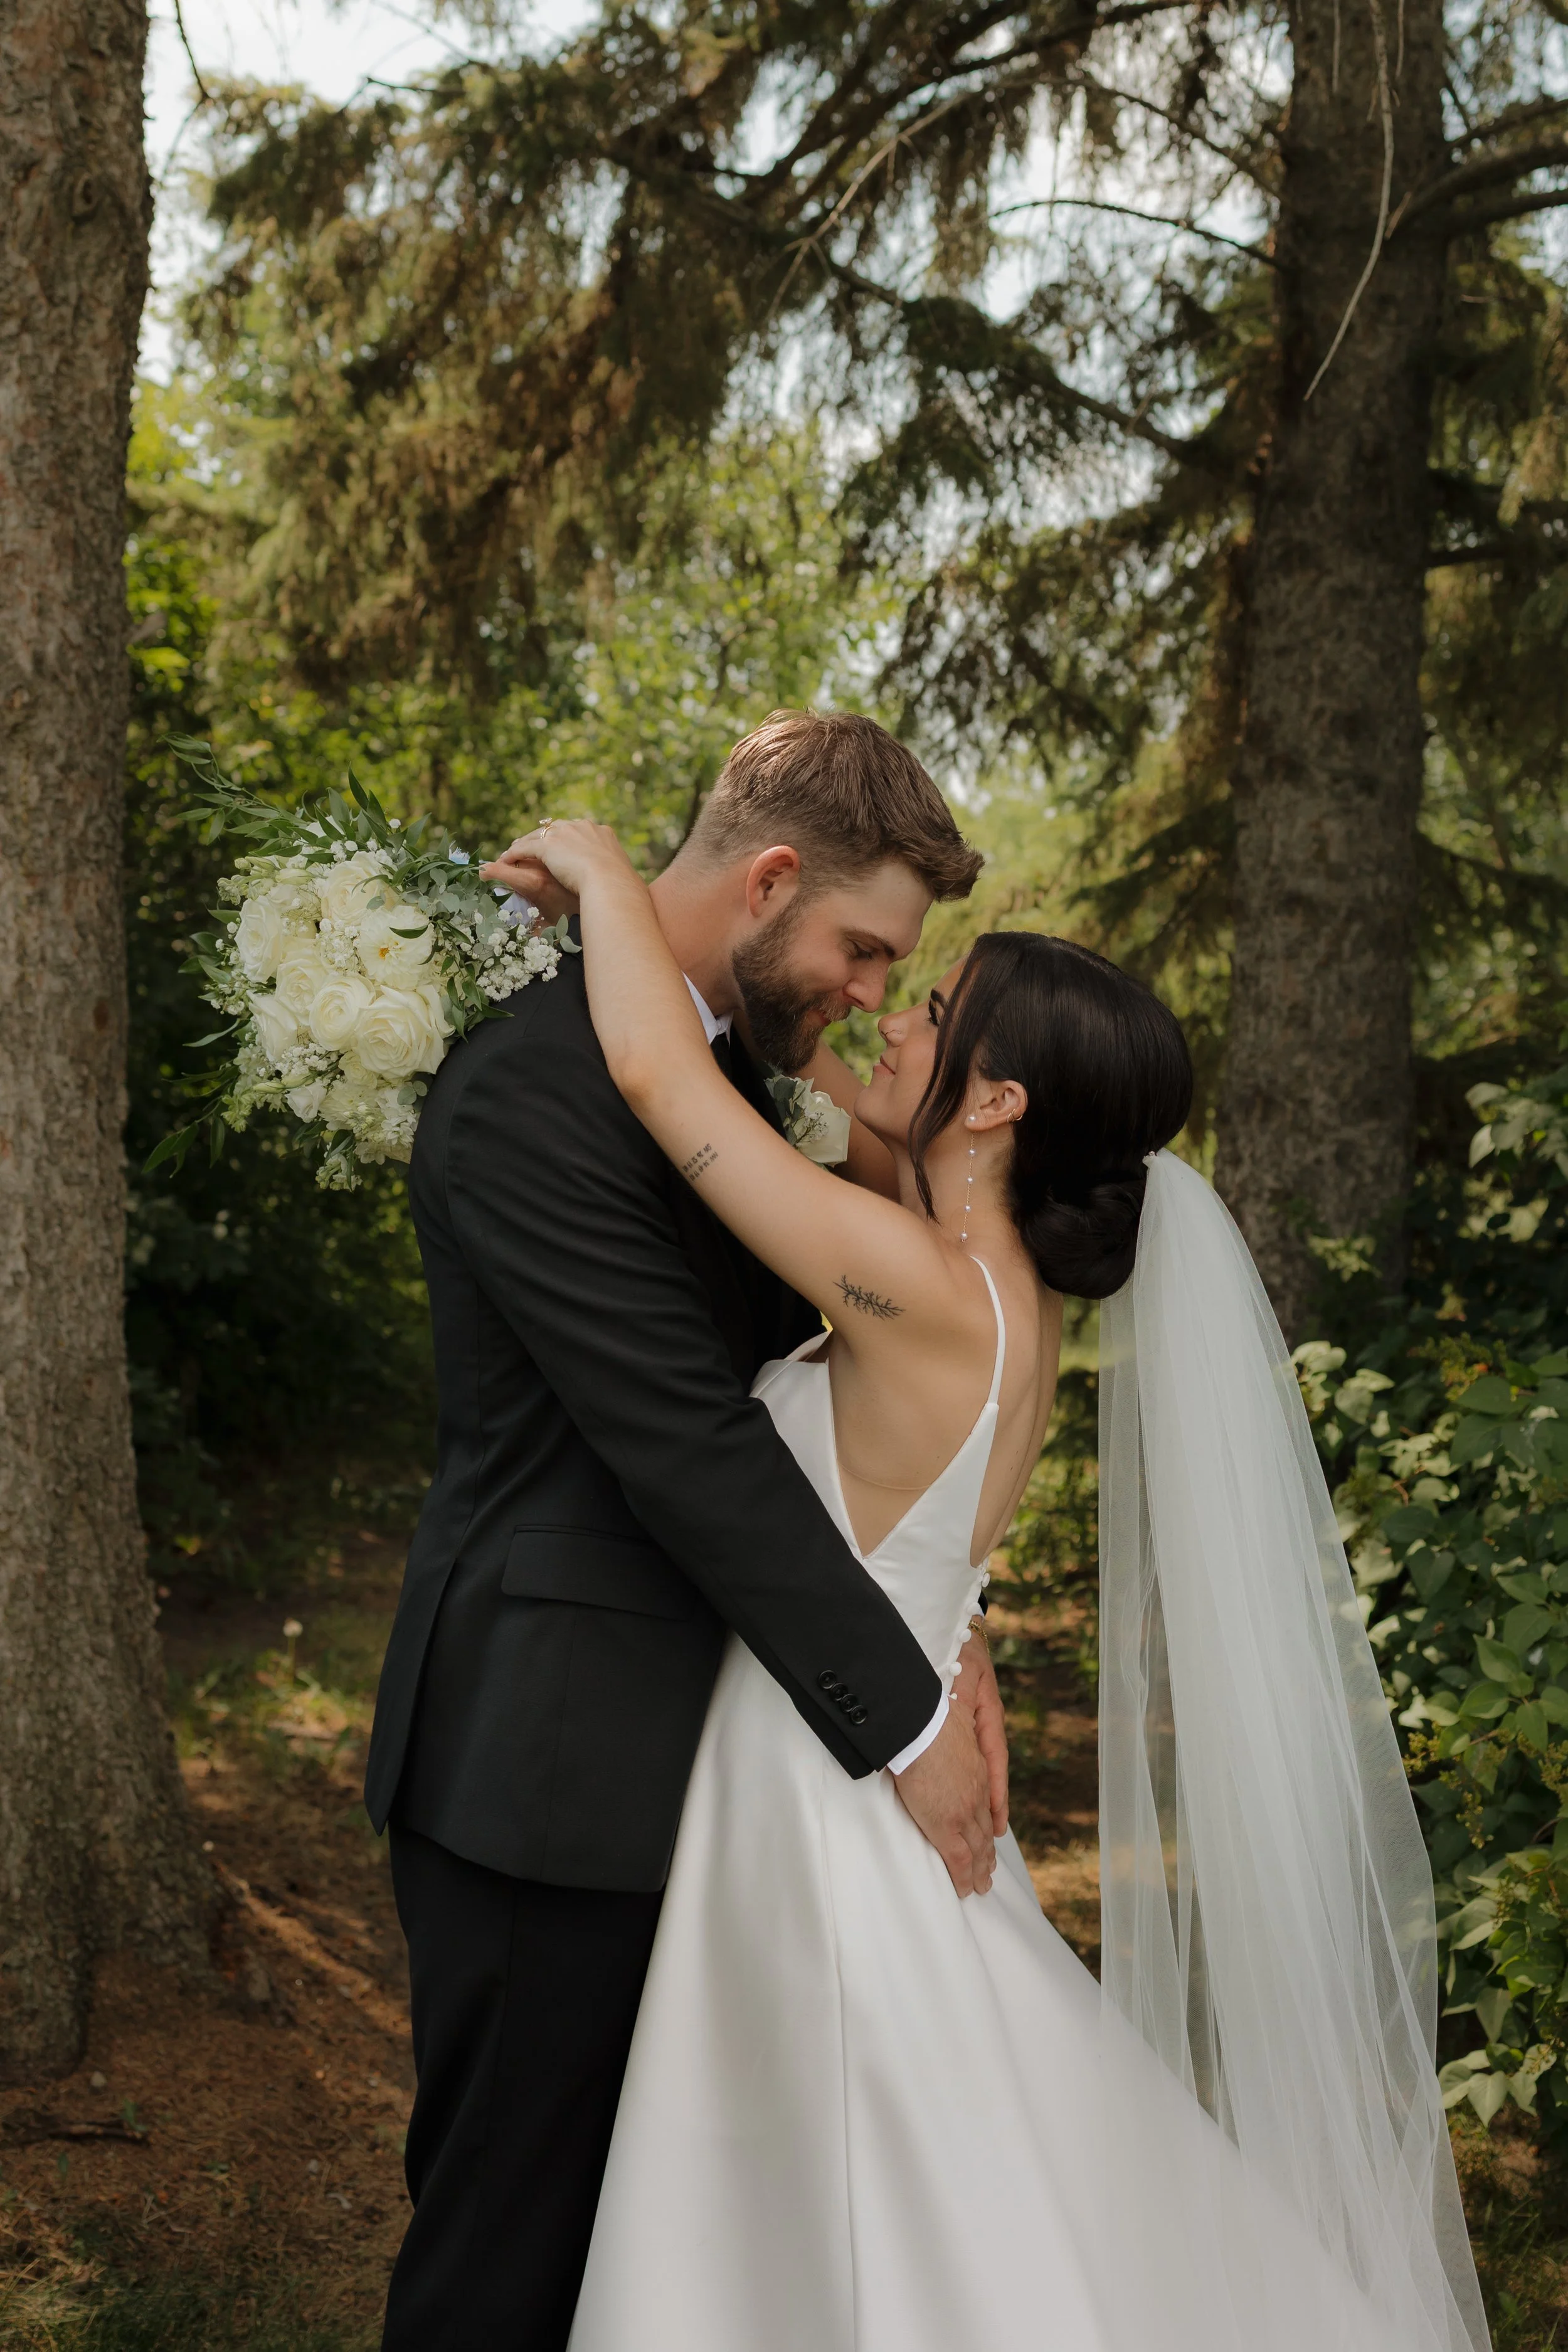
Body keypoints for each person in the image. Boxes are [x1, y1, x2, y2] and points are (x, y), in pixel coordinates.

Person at [484, 811, 1493, 2352]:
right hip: (873, 1738)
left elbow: (659, 1081)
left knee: (829, 2185)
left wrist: (610, 880)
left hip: (820, 1798)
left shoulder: (913, 1289)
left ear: (1001, 1098)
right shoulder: (991, 1291)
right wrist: (801, 1001)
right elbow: (797, 1073)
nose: (895, 1017)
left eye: (936, 1015)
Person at [364, 711, 1012, 2352]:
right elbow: (684, 1438)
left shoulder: (708, 1078)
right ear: (771, 877)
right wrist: (907, 1716)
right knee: (508, 2253)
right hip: (544, 1774)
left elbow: (815, 1393)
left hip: (699, 1778)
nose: (872, 989)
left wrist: (954, 1623)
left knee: (644, 2258)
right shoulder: (534, 1088)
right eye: (865, 946)